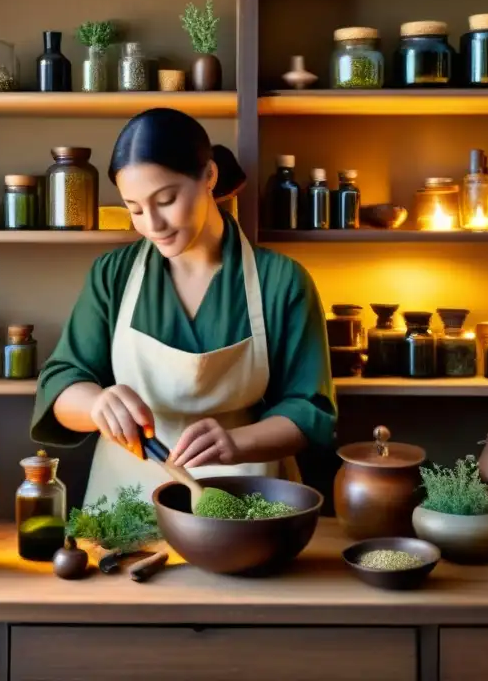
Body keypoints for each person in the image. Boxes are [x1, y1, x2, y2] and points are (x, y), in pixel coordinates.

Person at [31, 108, 336, 505]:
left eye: (166, 200)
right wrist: (97, 404)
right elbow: (61, 383)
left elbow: (311, 412)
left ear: (209, 176)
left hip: (245, 496)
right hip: (124, 501)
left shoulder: (281, 281)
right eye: (135, 209)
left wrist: (236, 443)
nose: (153, 224)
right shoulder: (113, 275)